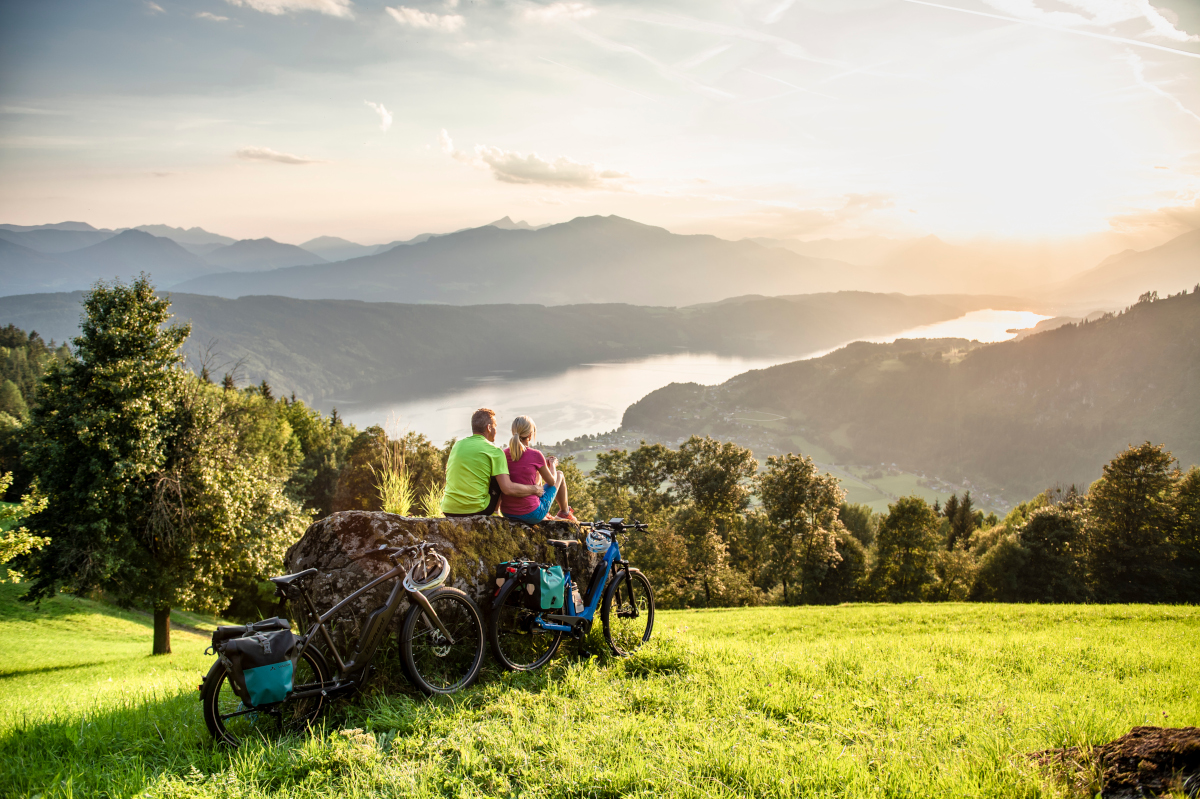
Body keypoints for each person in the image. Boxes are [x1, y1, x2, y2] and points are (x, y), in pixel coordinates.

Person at [442, 408, 543, 517]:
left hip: (448, 509)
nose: (496, 430)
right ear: (489, 428)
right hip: (476, 510)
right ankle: (495, 512)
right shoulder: (495, 451)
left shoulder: (457, 445)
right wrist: (535, 489)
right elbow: (507, 488)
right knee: (499, 476)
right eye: (495, 426)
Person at [500, 415, 578, 524]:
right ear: (530, 435)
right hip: (532, 514)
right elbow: (552, 481)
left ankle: (550, 512)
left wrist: (540, 466)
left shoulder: (503, 454)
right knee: (559, 474)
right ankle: (564, 513)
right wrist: (552, 465)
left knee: (537, 474)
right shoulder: (535, 455)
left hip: (507, 512)